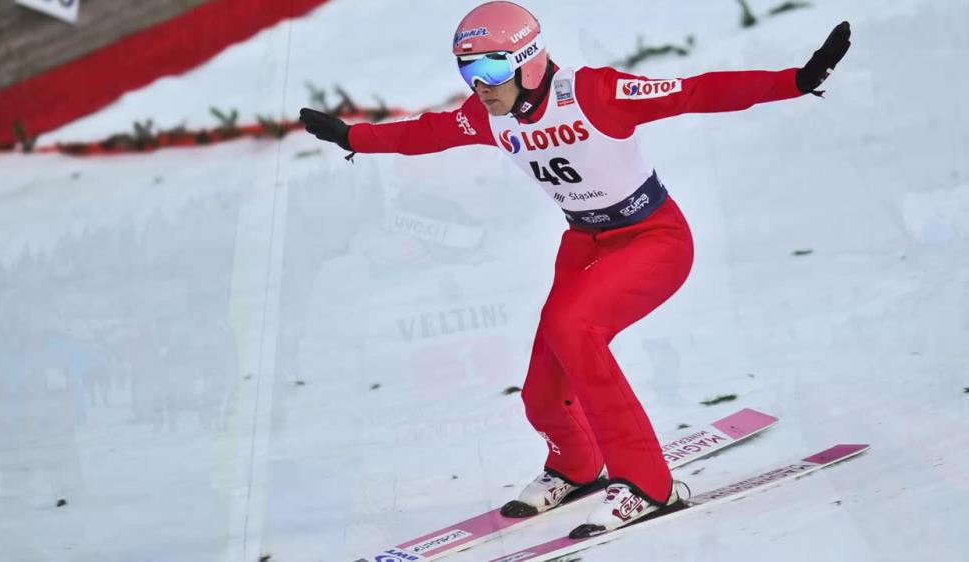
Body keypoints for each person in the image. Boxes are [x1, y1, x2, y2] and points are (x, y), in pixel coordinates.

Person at [299, 1, 851, 538]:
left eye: (492, 66)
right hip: (584, 244)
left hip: (653, 238)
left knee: (574, 329)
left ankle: (648, 485)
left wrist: (796, 80)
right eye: (468, 69)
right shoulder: (487, 116)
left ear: (528, 60)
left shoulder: (594, 92)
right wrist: (354, 138)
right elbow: (426, 133)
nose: (480, 83)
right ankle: (577, 464)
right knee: (542, 386)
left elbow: (696, 91)